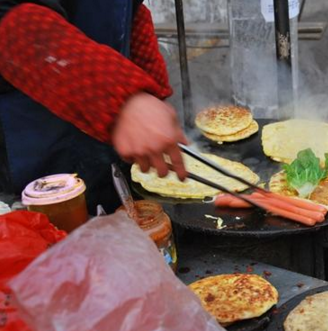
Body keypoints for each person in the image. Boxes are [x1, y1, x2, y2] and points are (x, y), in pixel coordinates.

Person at [0, 0, 188, 212]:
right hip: (31, 144)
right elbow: (9, 22)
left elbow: (129, 14)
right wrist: (124, 99)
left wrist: (153, 88)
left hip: (104, 144)